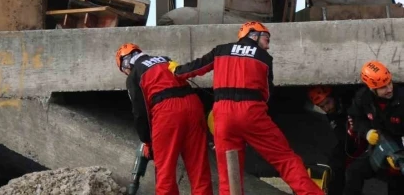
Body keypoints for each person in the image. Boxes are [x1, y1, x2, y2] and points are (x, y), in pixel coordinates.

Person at [173, 22, 324, 195]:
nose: (268, 44)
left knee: (229, 175)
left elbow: (193, 68)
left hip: (222, 116)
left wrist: (175, 70)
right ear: (253, 34)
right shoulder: (264, 58)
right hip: (252, 113)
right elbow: (267, 93)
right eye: (266, 38)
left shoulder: (220, 50)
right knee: (285, 159)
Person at [116, 43, 213, 195]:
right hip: (193, 105)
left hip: (167, 112)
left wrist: (147, 141)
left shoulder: (134, 75)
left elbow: (141, 113)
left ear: (125, 64)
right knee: (199, 167)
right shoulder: (164, 59)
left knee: (165, 171)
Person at [344, 61, 404, 195]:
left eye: (389, 83)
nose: (389, 89)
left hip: (398, 153)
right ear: (372, 88)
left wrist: (399, 155)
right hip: (378, 149)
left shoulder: (402, 99)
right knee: (354, 171)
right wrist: (367, 132)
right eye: (383, 87)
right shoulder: (363, 98)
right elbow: (355, 117)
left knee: (397, 183)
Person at [307, 86, 365, 195]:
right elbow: (341, 136)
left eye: (327, 103)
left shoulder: (352, 103)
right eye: (322, 106)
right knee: (336, 163)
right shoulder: (332, 114)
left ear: (333, 96)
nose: (326, 108)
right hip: (351, 142)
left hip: (367, 138)